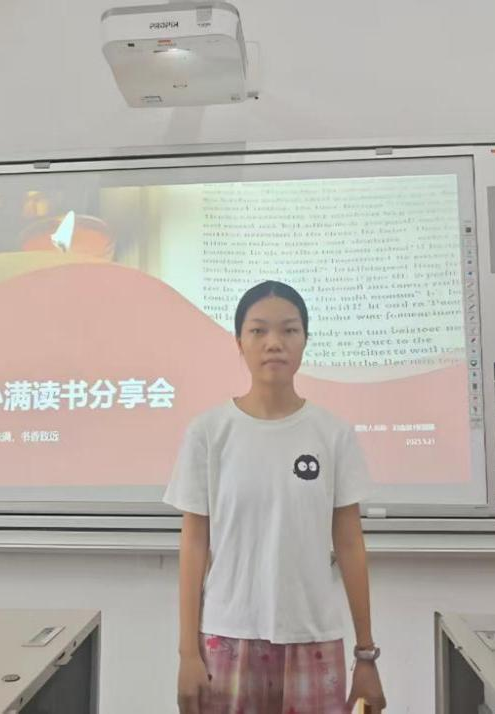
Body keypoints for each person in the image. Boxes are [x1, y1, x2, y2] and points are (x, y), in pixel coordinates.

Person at [164, 280, 388, 713]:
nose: (274, 343)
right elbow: (194, 543)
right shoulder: (209, 433)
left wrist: (366, 654)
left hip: (313, 637)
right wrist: (188, 653)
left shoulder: (332, 434)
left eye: (289, 330)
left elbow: (349, 545)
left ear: (305, 340)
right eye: (258, 330)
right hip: (226, 637)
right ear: (239, 342)